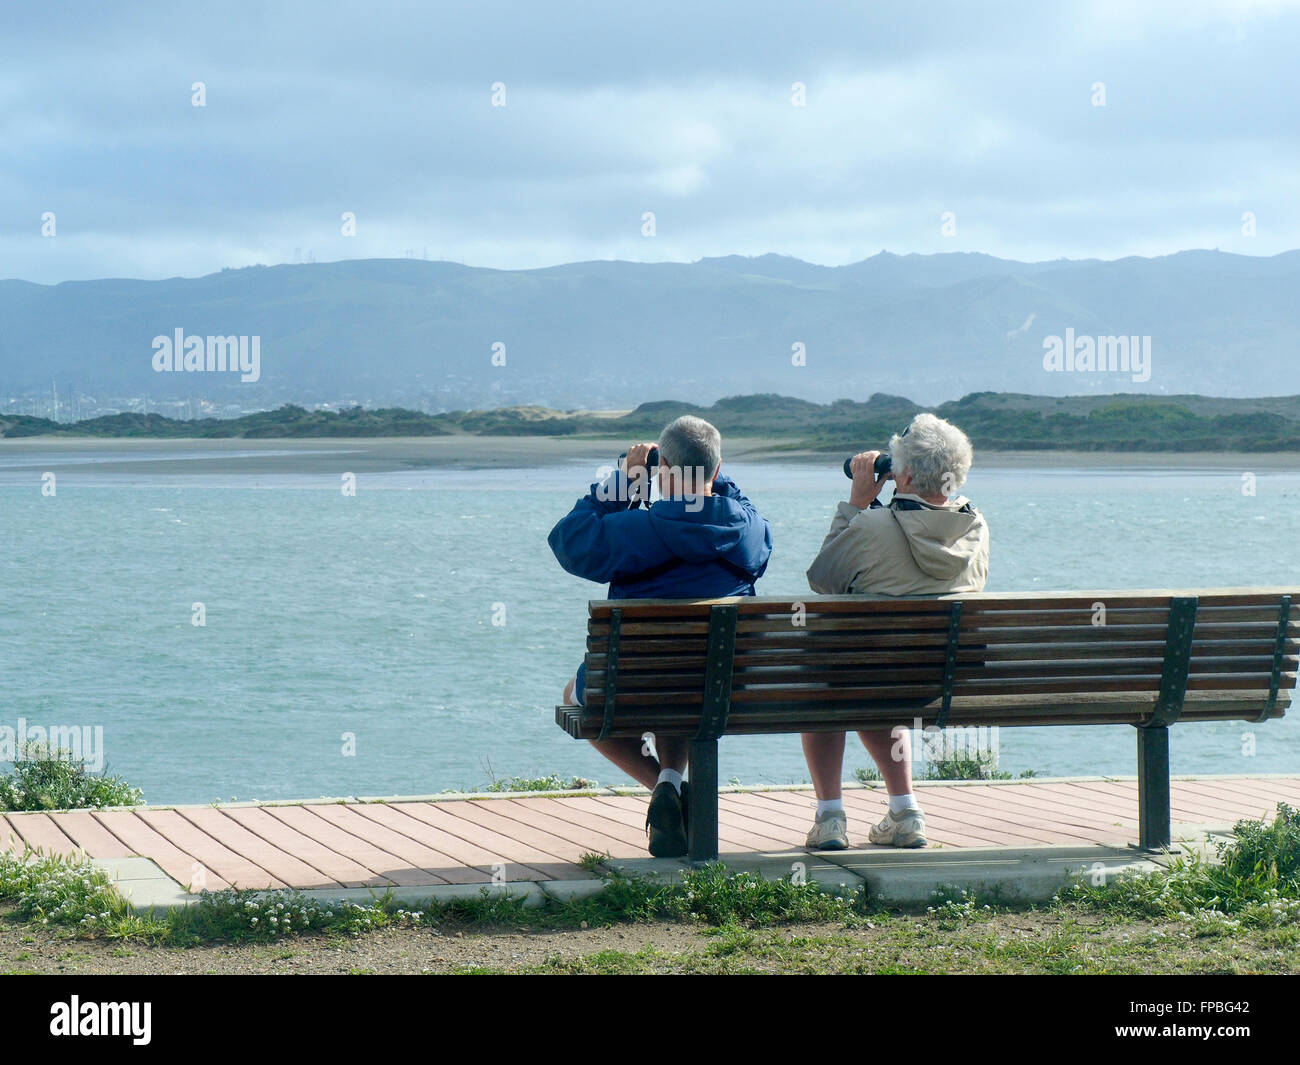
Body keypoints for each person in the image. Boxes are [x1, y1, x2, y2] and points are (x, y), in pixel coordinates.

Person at [548, 415, 772, 857]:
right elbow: (738, 501)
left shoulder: (632, 531)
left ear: (662, 467)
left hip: (632, 686)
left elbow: (567, 539)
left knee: (580, 692)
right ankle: (670, 782)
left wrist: (624, 482)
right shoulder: (749, 532)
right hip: (721, 688)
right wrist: (708, 474)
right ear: (719, 467)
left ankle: (664, 786)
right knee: (690, 686)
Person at [802, 412, 989, 850]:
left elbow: (822, 578)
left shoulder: (872, 524)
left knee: (830, 678)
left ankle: (830, 818)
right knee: (875, 674)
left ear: (901, 474)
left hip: (870, 675)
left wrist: (856, 502)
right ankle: (905, 812)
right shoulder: (976, 529)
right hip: (939, 682)